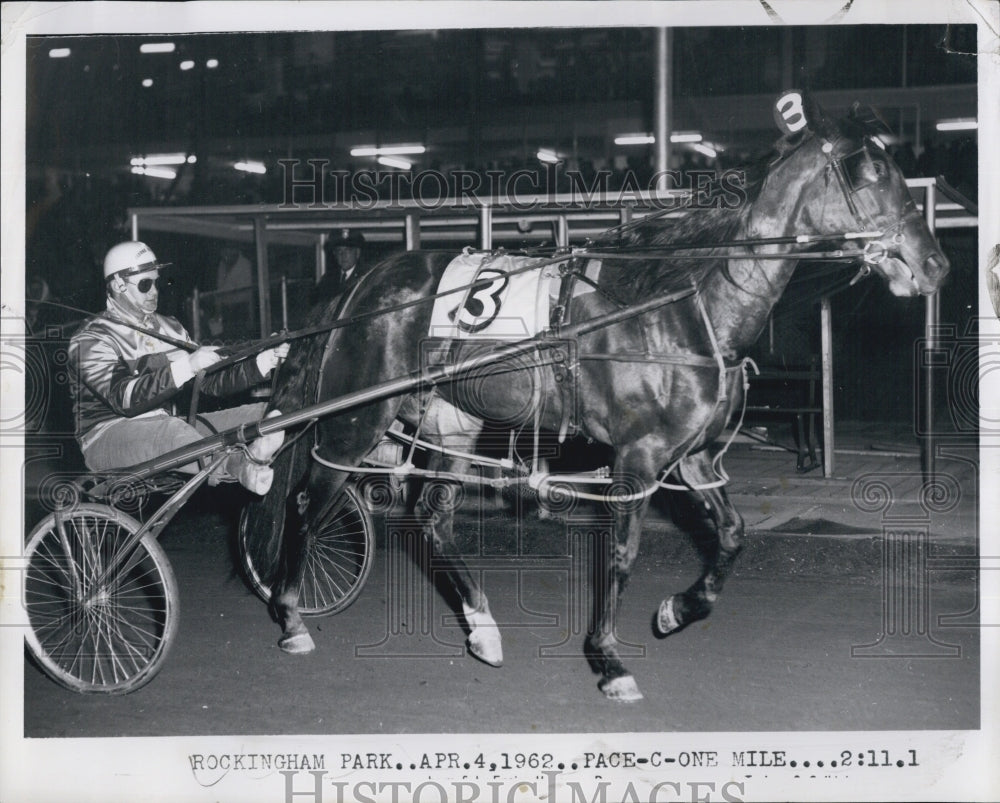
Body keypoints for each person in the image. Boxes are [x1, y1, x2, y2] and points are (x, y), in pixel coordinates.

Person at [69, 241, 290, 494]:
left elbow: (210, 380)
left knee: (265, 412)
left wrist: (264, 361)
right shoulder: (91, 338)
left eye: (156, 282)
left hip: (166, 428)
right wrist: (186, 365)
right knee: (172, 429)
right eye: (144, 284)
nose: (154, 291)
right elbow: (125, 399)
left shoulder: (169, 327)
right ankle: (241, 466)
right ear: (119, 284)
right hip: (107, 438)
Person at [313, 227, 366, 303]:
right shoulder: (327, 280)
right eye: (339, 251)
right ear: (335, 254)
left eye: (348, 250)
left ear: (357, 253)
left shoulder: (366, 277)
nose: (343, 255)